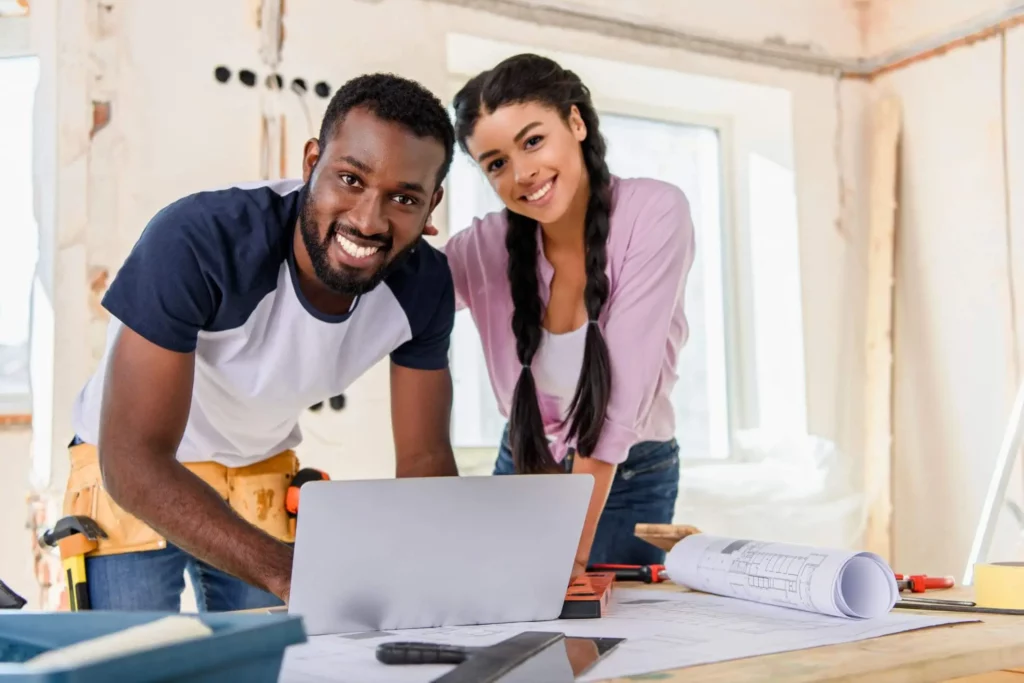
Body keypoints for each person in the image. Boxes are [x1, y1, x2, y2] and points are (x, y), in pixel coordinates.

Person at [62, 73, 459, 611]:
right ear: (311, 162)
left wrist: (443, 581)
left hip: (258, 470)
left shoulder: (424, 288)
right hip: (134, 471)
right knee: (130, 655)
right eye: (350, 179)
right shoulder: (198, 240)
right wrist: (292, 575)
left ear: (431, 207)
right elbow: (133, 460)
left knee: (266, 654)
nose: (368, 220)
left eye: (404, 198)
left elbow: (425, 458)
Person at [443, 54, 696, 578]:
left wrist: (569, 558)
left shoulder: (654, 212)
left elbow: (617, 400)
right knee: (502, 610)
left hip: (628, 474)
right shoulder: (484, 246)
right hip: (526, 456)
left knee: (603, 623)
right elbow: (390, 303)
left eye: (533, 141)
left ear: (576, 122)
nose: (523, 173)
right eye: (496, 164)